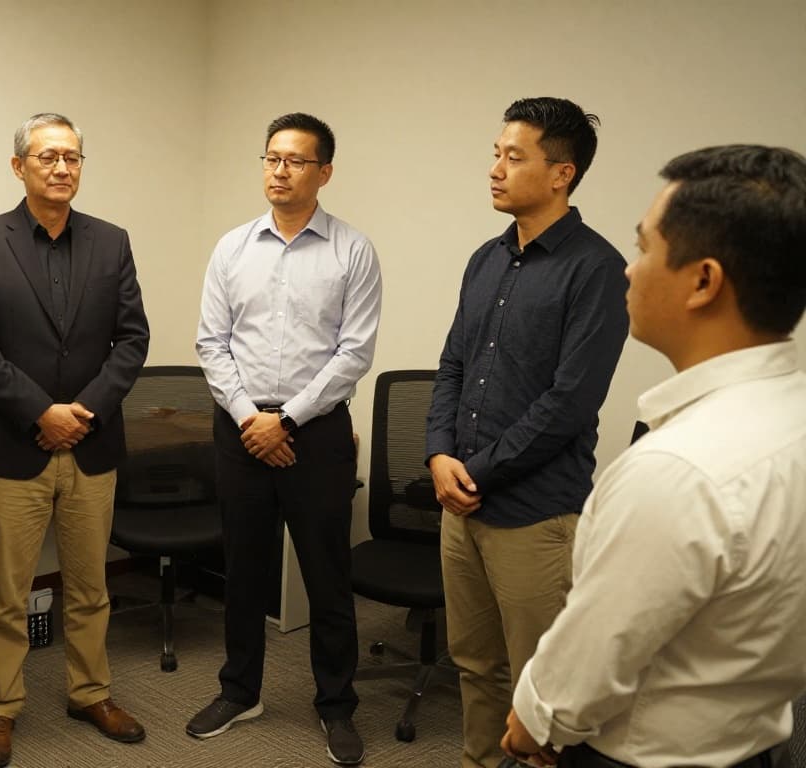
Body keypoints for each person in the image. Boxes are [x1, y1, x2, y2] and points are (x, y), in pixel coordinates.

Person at [501, 144, 806, 768]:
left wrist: (530, 725)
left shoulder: (677, 470)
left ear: (703, 281)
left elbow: (586, 667)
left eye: (644, 248)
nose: (629, 272)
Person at [424, 97, 629, 768]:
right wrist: (438, 454)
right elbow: (453, 362)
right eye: (495, 153)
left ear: (562, 173)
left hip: (536, 516)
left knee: (541, 693)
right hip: (462, 505)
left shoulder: (596, 270)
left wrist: (474, 473)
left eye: (514, 157)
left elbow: (569, 403)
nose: (496, 169)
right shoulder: (485, 259)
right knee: (474, 666)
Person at [0, 112, 150, 768]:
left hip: (91, 446)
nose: (61, 168)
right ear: (19, 167)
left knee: (91, 587)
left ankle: (90, 693)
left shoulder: (112, 242)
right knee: (7, 592)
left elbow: (132, 339)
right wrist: (41, 411)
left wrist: (83, 410)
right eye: (47, 157)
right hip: (16, 447)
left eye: (71, 157)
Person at [190, 112, 382, 766]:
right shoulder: (231, 248)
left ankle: (336, 706)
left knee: (328, 575)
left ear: (323, 171)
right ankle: (240, 690)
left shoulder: (352, 251)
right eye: (272, 157)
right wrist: (251, 418)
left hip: (316, 434)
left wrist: (288, 420)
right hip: (241, 428)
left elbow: (354, 353)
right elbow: (210, 345)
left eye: (295, 160)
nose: (279, 170)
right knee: (243, 570)